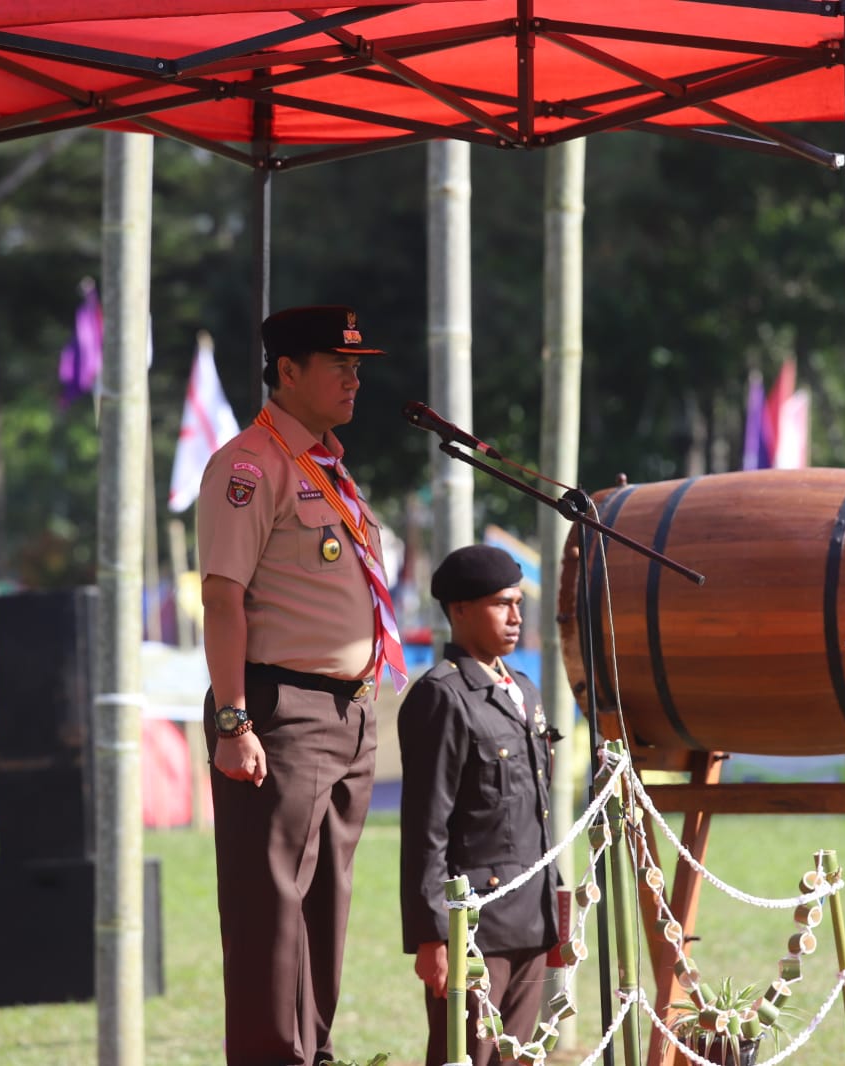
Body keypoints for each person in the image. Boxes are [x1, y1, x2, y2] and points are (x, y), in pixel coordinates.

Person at [197, 304, 406, 1066]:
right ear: (287, 372)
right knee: (269, 914)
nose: (355, 378)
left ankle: (310, 1052)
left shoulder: (324, 464)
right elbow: (222, 597)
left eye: (358, 365)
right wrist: (232, 721)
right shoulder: (250, 466)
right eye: (337, 364)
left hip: (347, 714)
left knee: (326, 906)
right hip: (280, 711)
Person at [399, 545, 559, 1066]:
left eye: (517, 603)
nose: (515, 617)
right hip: (476, 927)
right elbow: (427, 825)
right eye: (499, 604)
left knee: (518, 1059)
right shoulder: (442, 696)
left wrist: (555, 908)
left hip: (530, 917)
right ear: (460, 610)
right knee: (464, 1057)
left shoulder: (525, 691)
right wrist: (433, 936)